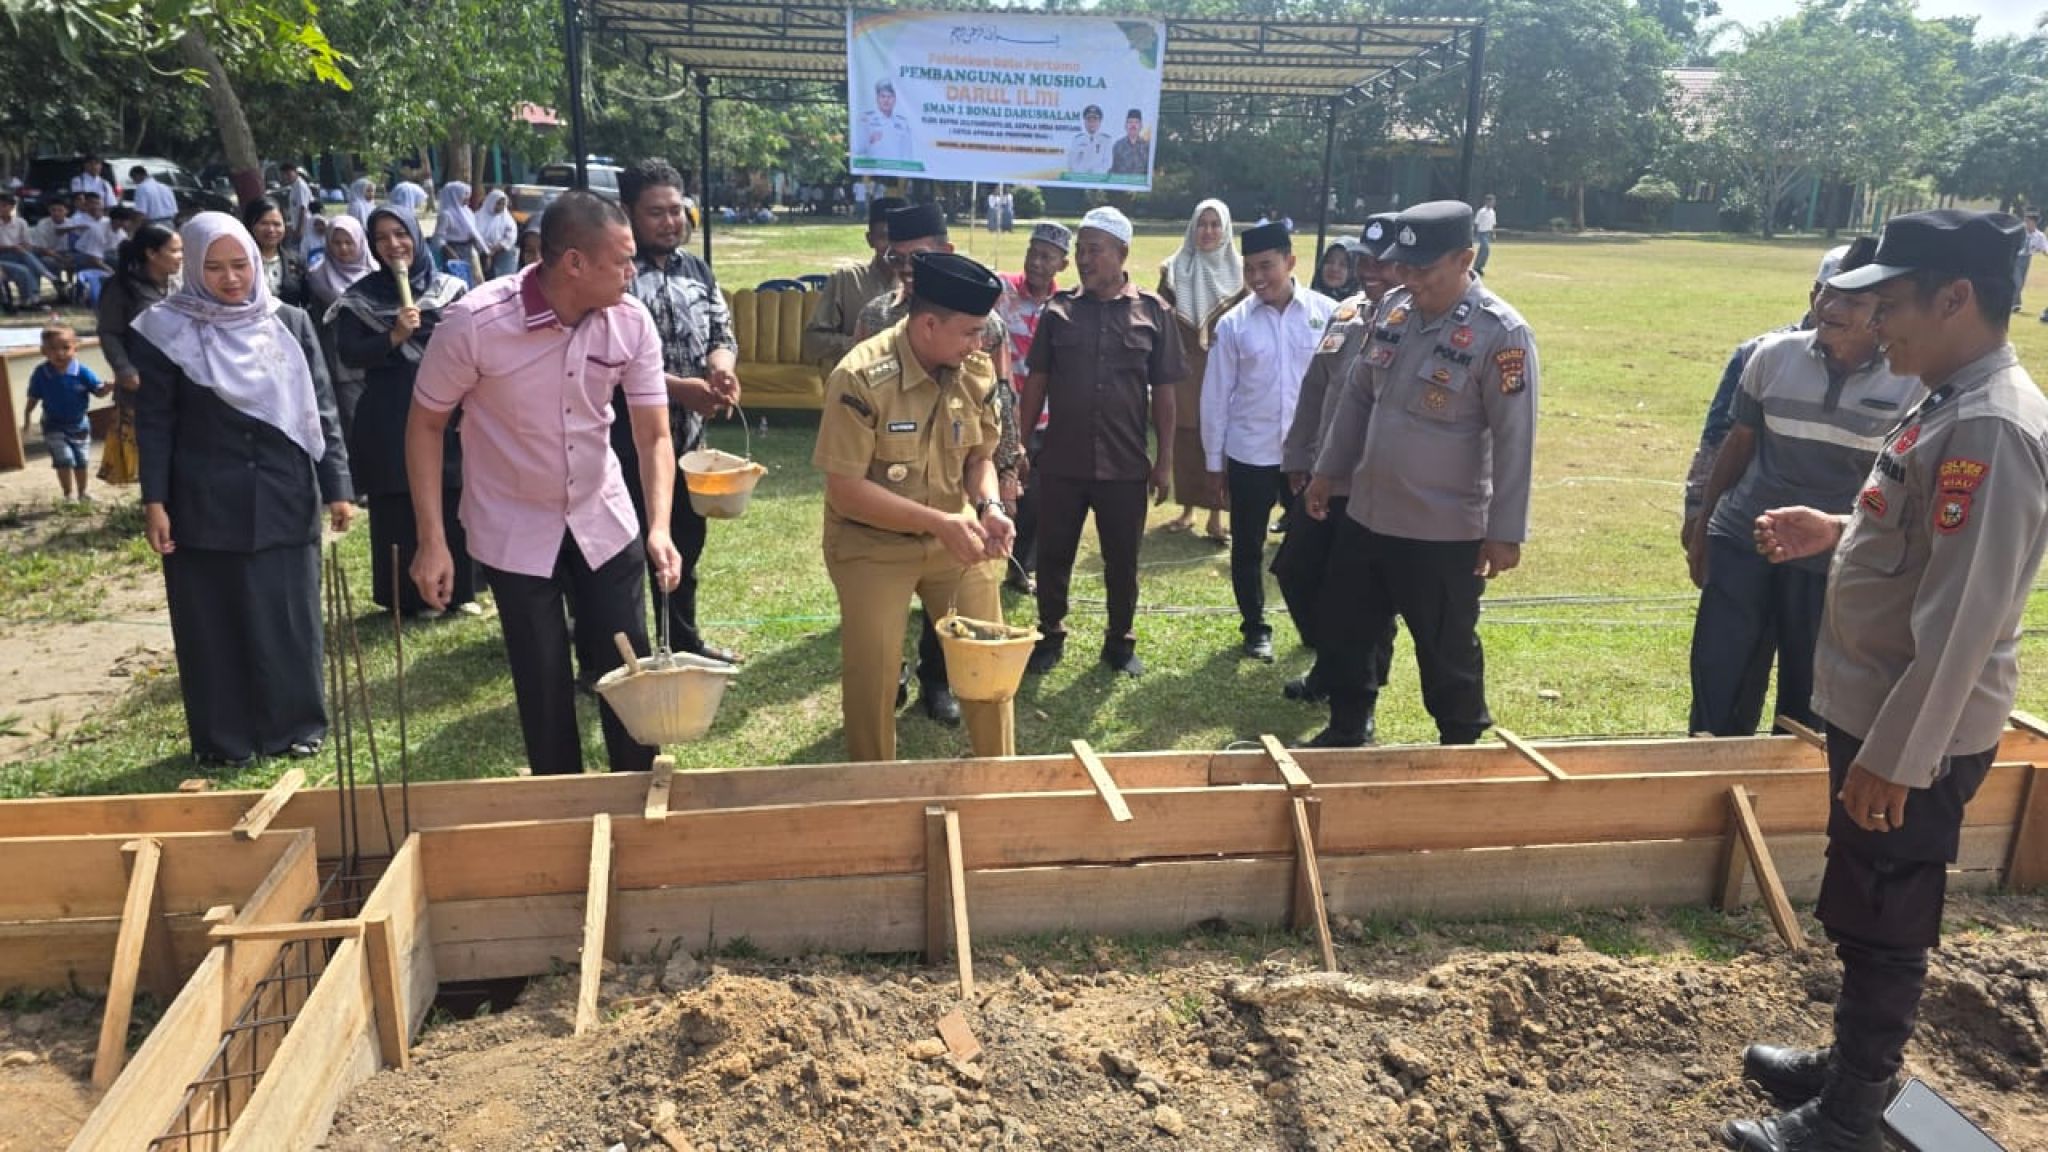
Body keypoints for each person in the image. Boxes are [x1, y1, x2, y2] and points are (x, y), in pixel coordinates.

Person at [1719, 210, 2047, 1152]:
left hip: (1918, 729)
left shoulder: (1990, 425)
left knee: (1890, 909)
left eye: (1894, 305)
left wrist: (1899, 762)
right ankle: (1854, 1060)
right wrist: (1840, 528)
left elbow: (1964, 621)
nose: (1875, 326)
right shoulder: (1948, 395)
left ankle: (1854, 1113)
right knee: (1865, 897)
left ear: (1958, 299)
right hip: (1886, 712)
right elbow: (1920, 544)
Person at [407, 190, 682, 777]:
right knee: (542, 676)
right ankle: (561, 801)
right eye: (622, 260)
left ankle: (639, 793)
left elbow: (654, 435)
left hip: (601, 517)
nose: (633, 273)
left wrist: (659, 526)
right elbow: (426, 425)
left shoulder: (630, 322)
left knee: (627, 666)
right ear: (574, 263)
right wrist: (432, 538)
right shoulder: (476, 324)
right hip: (512, 525)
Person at [1303, 201, 1537, 747]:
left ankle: (1460, 742)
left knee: (1445, 646)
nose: (1407, 280)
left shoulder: (1500, 333)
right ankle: (1348, 723)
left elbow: (1514, 438)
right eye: (1402, 268)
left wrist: (1504, 531)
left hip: (1443, 529)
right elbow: (1357, 398)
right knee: (1348, 628)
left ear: (1465, 258)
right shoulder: (1395, 312)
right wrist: (1327, 470)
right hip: (1368, 511)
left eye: (1422, 270)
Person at [131, 212, 354, 767]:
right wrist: (154, 501)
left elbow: (320, 409)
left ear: (255, 263)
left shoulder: (291, 322)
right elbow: (154, 422)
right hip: (201, 499)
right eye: (215, 267)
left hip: (283, 492)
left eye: (239, 265)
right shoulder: (167, 330)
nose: (231, 279)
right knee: (211, 621)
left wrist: (338, 488)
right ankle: (223, 739)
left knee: (287, 618)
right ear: (194, 267)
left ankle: (295, 727)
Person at [1685, 239, 1919, 739]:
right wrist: (1703, 524)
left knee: (1809, 700)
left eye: (1851, 301)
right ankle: (1706, 795)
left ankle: (1786, 805)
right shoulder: (1771, 356)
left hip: (1834, 556)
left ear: (1883, 313)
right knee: (1720, 685)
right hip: (1743, 540)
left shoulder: (1910, 381)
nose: (1830, 309)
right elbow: (1735, 445)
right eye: (1827, 294)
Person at [813, 250, 1015, 762]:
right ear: (928, 324)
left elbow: (979, 459)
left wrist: (989, 505)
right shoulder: (859, 377)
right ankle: (876, 789)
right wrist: (939, 523)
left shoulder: (974, 370)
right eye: (970, 332)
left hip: (954, 537)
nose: (981, 343)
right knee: (874, 674)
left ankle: (999, 775)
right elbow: (845, 489)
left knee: (988, 658)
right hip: (871, 544)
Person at [853, 201, 1017, 724]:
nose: (903, 265)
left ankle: (937, 679)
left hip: (956, 475)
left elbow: (1000, 399)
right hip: (890, 490)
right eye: (895, 254)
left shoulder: (981, 322)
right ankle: (892, 674)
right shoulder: (877, 316)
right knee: (884, 610)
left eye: (915, 255)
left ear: (943, 250)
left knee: (952, 602)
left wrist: (1002, 476)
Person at [1020, 206, 1184, 676]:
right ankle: (1049, 634)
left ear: (1122, 253)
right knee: (1053, 554)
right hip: (1061, 461)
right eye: (1080, 250)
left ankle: (1119, 642)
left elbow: (1167, 394)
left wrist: (1165, 460)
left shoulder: (1153, 313)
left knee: (1122, 561)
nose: (1084, 259)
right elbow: (1036, 383)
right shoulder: (1058, 312)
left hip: (1124, 465)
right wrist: (1021, 446)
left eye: (1094, 250)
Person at [614, 158, 742, 664]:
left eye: (677, 210)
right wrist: (675, 389)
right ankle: (618, 655)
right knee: (623, 557)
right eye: (656, 213)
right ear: (628, 212)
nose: (670, 222)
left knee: (684, 547)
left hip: (688, 442)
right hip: (623, 441)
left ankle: (682, 641)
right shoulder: (617, 274)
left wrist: (722, 369)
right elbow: (610, 362)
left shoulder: (697, 269)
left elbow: (720, 330)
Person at [1275, 213, 1401, 712]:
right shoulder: (1347, 313)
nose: (1371, 272)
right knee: (1297, 570)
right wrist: (1297, 455)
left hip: (1377, 482)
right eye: (1363, 262)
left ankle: (1360, 691)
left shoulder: (1414, 321)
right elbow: (1315, 391)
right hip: (1327, 475)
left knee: (1365, 595)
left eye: (1383, 263)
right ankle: (1332, 663)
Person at [1201, 221, 1335, 662]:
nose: (1258, 279)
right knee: (1247, 546)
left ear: (1290, 262)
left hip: (1310, 457)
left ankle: (1314, 625)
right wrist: (1214, 462)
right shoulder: (1234, 324)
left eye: (1267, 267)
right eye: (1250, 270)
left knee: (1310, 547)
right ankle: (1255, 626)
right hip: (1251, 453)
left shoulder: (1328, 313)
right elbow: (1216, 395)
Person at [335, 205, 474, 618]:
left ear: (416, 234)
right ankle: (410, 596)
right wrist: (394, 336)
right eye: (381, 238)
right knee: (399, 499)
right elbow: (348, 353)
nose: (393, 245)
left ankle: (462, 589)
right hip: (391, 410)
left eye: (400, 233)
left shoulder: (450, 289)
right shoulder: (361, 298)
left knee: (453, 492)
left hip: (448, 410)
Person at [993, 221, 1071, 594]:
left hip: (1044, 418)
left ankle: (1022, 567)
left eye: (1046, 257)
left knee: (1036, 496)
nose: (1036, 263)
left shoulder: (1068, 303)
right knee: (990, 488)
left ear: (1062, 264)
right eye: (1031, 253)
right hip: (998, 414)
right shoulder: (1003, 291)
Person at [1157, 199, 1240, 542]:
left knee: (1219, 438)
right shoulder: (1174, 268)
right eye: (1202, 224)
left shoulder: (1238, 271)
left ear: (1225, 229)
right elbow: (1161, 316)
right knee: (1187, 437)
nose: (1207, 231)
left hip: (1224, 367)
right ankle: (1188, 509)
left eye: (1214, 224)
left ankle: (1216, 517)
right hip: (1185, 367)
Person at [96, 223, 183, 486]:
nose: (181, 257)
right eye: (175, 251)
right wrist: (124, 369)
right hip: (141, 380)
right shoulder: (122, 287)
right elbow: (109, 332)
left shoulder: (176, 285)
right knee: (147, 444)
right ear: (152, 254)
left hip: (176, 377)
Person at [803, 196, 906, 369]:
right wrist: (863, 344)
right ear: (870, 239)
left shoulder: (916, 284)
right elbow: (813, 341)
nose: (892, 248)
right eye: (884, 237)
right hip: (854, 381)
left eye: (900, 239)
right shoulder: (847, 280)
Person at [305, 213, 376, 438]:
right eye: (336, 243)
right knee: (355, 423)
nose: (343, 249)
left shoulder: (376, 274)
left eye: (349, 242)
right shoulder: (318, 277)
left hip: (379, 358)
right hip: (341, 361)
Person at [23, 324, 109, 501]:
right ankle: (68, 494)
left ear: (76, 348)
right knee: (64, 459)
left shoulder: (82, 372)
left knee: (81, 461)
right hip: (53, 424)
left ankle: (83, 492)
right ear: (43, 351)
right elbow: (33, 397)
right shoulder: (42, 373)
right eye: (53, 349)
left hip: (79, 424)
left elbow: (98, 391)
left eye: (65, 348)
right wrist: (27, 418)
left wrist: (108, 387)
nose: (60, 353)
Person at [243, 197, 308, 308]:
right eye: (264, 223)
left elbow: (305, 300)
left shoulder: (296, 262)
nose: (271, 230)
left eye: (277, 224)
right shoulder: (240, 262)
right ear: (251, 226)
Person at [0, 192, 54, 308]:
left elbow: (27, 244)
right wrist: (12, 247)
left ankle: (30, 300)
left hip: (18, 255)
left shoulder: (20, 223)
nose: (1, 209)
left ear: (12, 207)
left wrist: (20, 247)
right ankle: (48, 279)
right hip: (2, 258)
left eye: (4, 206)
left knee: (26, 260)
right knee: (23, 267)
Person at [434, 181, 481, 281]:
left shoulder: (467, 212)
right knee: (457, 278)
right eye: (464, 194)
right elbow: (439, 238)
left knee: (472, 278)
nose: (467, 197)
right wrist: (450, 252)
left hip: (468, 248)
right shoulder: (446, 215)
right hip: (453, 250)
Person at [859, 80, 914, 162]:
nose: (886, 100)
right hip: (874, 171)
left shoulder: (902, 123)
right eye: (883, 96)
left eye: (889, 97)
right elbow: (857, 150)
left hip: (898, 171)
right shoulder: (866, 119)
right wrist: (869, 140)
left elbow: (908, 153)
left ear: (895, 99)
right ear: (877, 98)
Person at [476, 188, 519, 279]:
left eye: (503, 204)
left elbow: (511, 235)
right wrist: (486, 251)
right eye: (498, 203)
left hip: (501, 253)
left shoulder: (506, 218)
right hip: (481, 253)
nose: (501, 207)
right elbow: (476, 235)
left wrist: (495, 249)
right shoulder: (478, 217)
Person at [280, 162, 317, 260]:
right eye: (284, 175)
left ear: (295, 172)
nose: (287, 177)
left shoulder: (300, 186)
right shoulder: (294, 186)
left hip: (305, 225)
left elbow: (303, 208)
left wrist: (299, 229)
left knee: (304, 250)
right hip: (297, 225)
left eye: (289, 174)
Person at [1066, 106, 1113, 175]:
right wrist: (1082, 174)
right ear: (1084, 122)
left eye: (1095, 120)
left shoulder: (1106, 140)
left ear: (1100, 122)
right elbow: (1071, 162)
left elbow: (1107, 163)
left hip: (1098, 179)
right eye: (1089, 120)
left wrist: (1093, 174)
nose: (1092, 123)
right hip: (1080, 178)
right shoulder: (1077, 140)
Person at [1110, 109, 1149, 176]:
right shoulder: (1118, 145)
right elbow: (1112, 168)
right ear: (1125, 126)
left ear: (1141, 126)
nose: (1133, 125)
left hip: (1140, 184)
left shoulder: (1147, 146)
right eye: (1130, 122)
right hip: (1121, 184)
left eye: (1136, 122)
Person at [2016, 209, 2041, 313]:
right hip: (2016, 258)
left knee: (2021, 283)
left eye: (2028, 221)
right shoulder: (2019, 232)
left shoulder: (2039, 235)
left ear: (2034, 222)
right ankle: (2015, 303)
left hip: (2027, 258)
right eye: (2025, 220)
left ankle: (2015, 304)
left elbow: (2045, 248)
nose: (2025, 223)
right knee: (2017, 282)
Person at [1473, 194, 1497, 275]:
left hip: (1488, 233)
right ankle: (1478, 267)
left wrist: (1493, 234)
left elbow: (1493, 224)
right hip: (1482, 233)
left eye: (1493, 201)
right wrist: (1476, 233)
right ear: (1487, 202)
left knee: (1482, 250)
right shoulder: (1481, 211)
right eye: (1491, 201)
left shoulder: (1492, 212)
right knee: (1486, 248)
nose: (1492, 203)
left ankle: (1477, 267)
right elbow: (1476, 223)